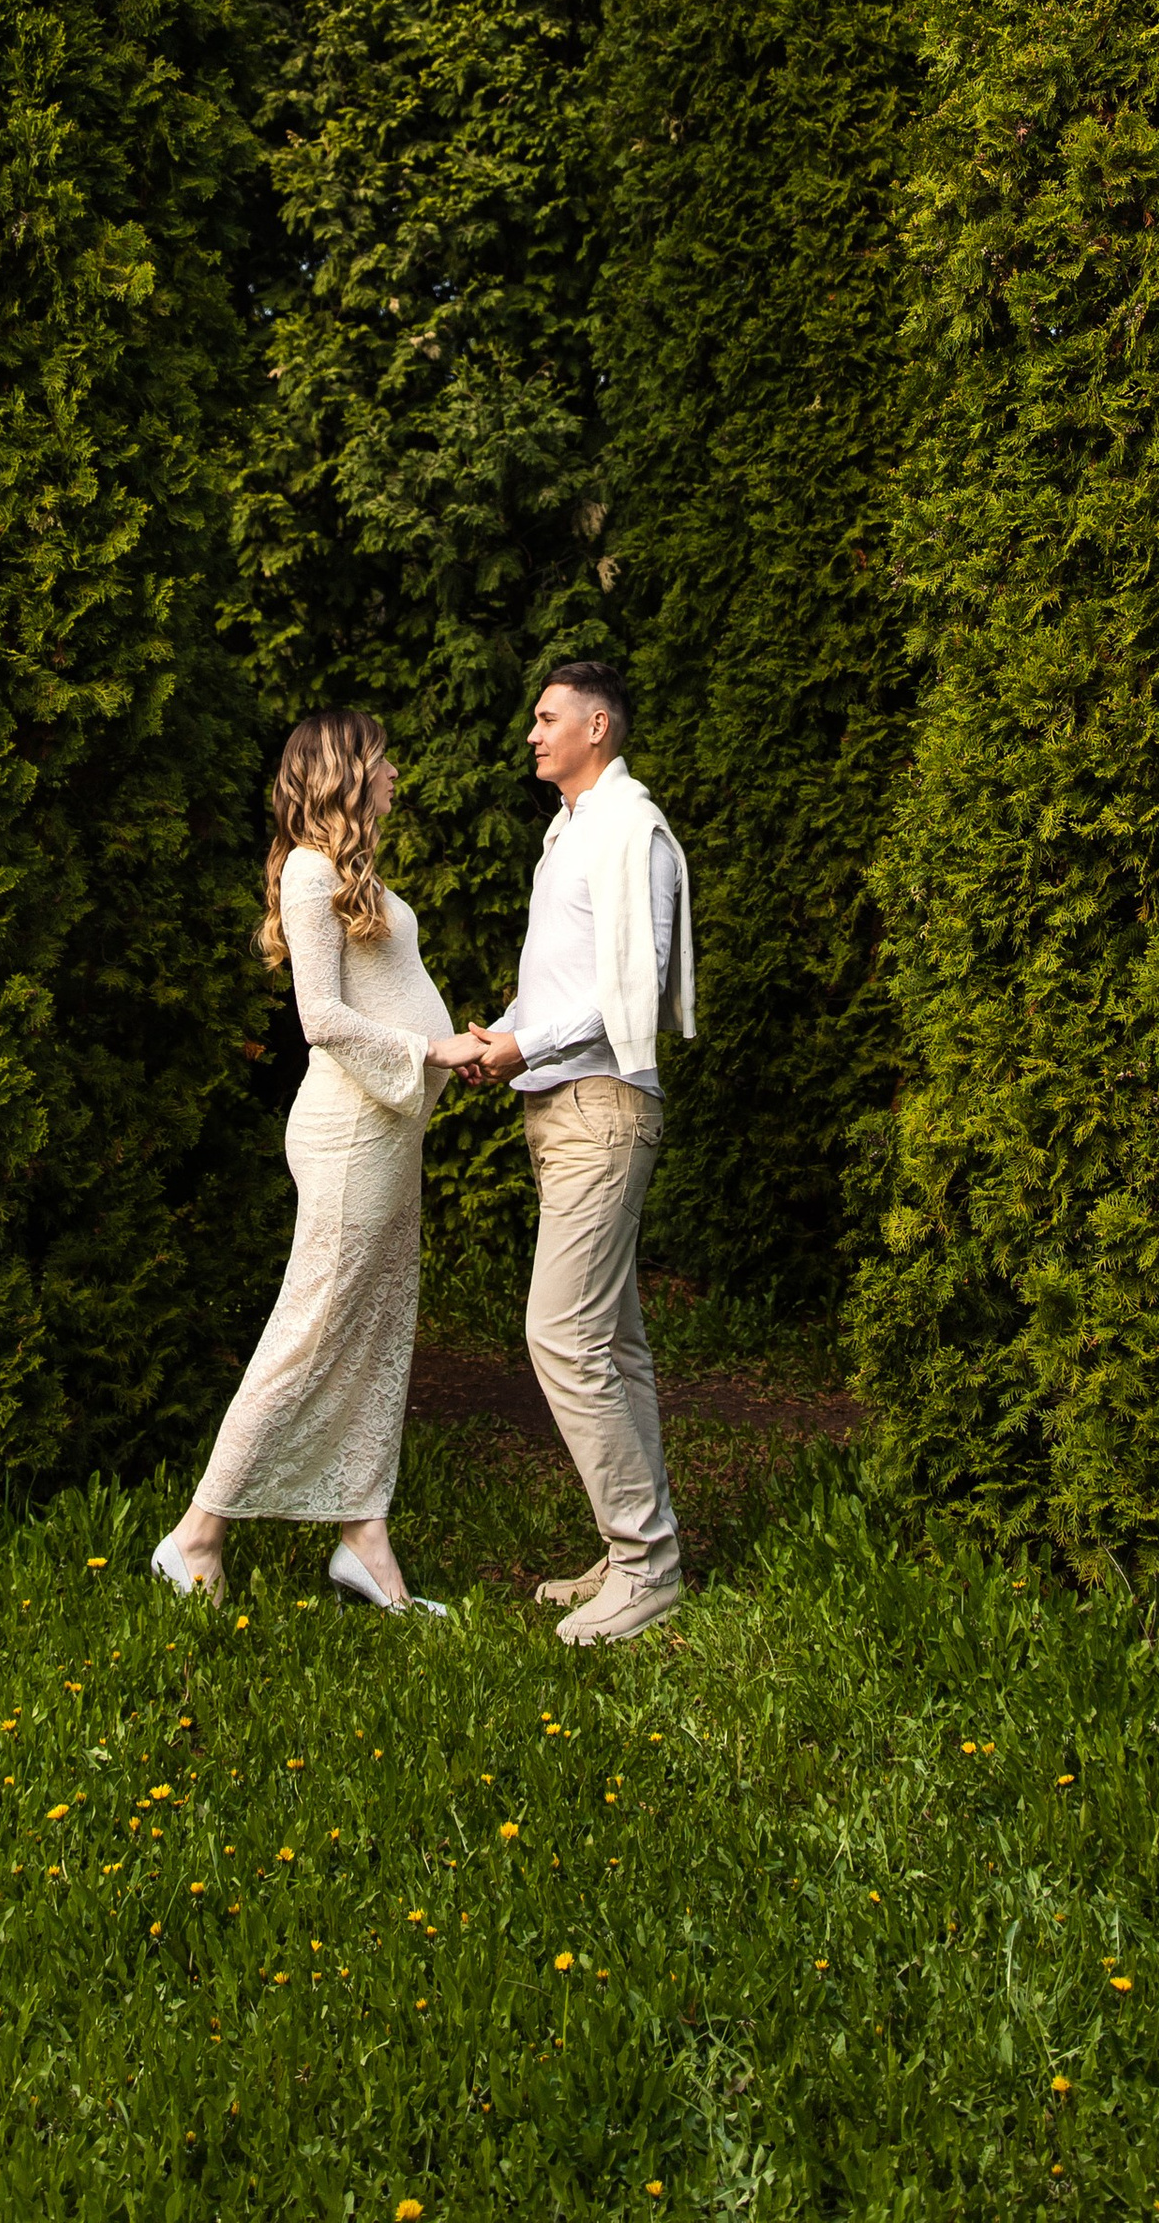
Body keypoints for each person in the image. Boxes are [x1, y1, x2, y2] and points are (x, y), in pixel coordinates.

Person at [154, 709, 491, 1614]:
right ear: (343, 773)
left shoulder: (351, 875)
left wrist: (451, 1052)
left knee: (376, 1336)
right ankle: (195, 1538)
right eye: (382, 763)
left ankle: (363, 1541)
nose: (394, 777)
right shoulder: (309, 872)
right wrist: (433, 1053)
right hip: (346, 1138)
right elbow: (322, 1019)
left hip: (386, 1138)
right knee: (309, 1334)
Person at [466, 659, 695, 1646]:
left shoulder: (629, 830)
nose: (532, 732)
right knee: (612, 1342)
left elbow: (632, 987)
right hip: (561, 1107)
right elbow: (560, 983)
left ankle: (645, 1566)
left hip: (605, 1109)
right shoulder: (570, 834)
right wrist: (501, 1038)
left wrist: (529, 1042)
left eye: (547, 716)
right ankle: (636, 1550)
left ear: (597, 727)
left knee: (560, 1333)